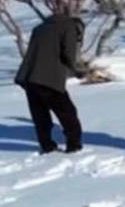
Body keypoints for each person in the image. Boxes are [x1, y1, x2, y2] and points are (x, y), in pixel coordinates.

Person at [14, 13, 85, 154]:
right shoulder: (69, 27)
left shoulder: (40, 28)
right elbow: (69, 54)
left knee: (40, 115)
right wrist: (79, 70)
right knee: (68, 113)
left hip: (29, 78)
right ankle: (74, 145)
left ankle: (47, 146)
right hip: (48, 80)